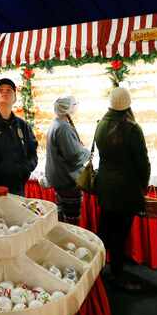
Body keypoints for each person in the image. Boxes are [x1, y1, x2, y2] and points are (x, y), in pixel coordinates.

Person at [94, 87, 150, 291]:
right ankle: (117, 274)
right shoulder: (132, 128)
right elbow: (142, 163)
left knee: (105, 230)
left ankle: (97, 270)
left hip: (105, 185)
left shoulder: (100, 124)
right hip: (125, 188)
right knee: (120, 233)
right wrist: (142, 187)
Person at [45, 96, 90, 225]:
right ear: (68, 108)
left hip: (60, 179)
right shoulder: (63, 127)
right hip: (67, 180)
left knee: (62, 218)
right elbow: (73, 156)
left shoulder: (57, 123)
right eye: (75, 104)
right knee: (71, 221)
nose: (77, 106)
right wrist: (87, 153)